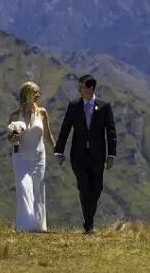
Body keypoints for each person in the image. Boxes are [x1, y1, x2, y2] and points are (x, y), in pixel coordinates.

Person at [54, 74, 117, 234]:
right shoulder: (74, 105)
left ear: (90, 88)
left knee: (97, 188)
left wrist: (111, 155)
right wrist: (59, 151)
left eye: (81, 87)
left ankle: (88, 222)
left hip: (97, 155)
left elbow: (111, 131)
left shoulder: (104, 106)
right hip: (78, 155)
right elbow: (65, 128)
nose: (79, 90)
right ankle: (89, 225)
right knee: (84, 188)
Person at [7, 81, 56, 232]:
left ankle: (38, 226)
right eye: (35, 92)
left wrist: (57, 150)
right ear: (26, 94)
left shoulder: (42, 113)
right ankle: (25, 226)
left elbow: (47, 135)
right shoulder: (15, 115)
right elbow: (10, 139)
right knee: (24, 189)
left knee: (38, 191)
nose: (38, 95)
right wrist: (13, 137)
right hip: (21, 158)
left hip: (38, 159)